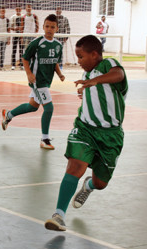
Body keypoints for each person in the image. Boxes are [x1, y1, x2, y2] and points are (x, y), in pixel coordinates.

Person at [44, 35, 128, 232]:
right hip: (85, 129)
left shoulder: (109, 65)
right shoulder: (88, 76)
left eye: (81, 57)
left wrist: (94, 82)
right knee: (75, 165)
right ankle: (59, 215)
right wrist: (88, 90)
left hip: (110, 135)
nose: (78, 61)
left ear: (95, 54)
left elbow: (119, 75)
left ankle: (89, 186)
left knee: (101, 183)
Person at [1, 14, 65, 150]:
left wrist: (59, 74)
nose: (49, 29)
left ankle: (9, 114)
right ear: (43, 27)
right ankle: (45, 139)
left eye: (52, 27)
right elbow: (25, 59)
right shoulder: (36, 43)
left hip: (47, 81)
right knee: (49, 108)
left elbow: (55, 62)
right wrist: (29, 74)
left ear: (56, 28)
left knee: (33, 106)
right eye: (47, 26)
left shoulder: (58, 45)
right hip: (37, 81)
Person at [10, 6, 23, 70]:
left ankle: (22, 64)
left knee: (21, 50)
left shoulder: (23, 16)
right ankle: (13, 65)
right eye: (17, 9)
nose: (18, 10)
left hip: (21, 35)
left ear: (21, 9)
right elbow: (10, 27)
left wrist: (21, 29)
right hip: (15, 34)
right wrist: (16, 28)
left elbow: (24, 26)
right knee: (14, 50)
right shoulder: (13, 17)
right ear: (15, 9)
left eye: (19, 9)